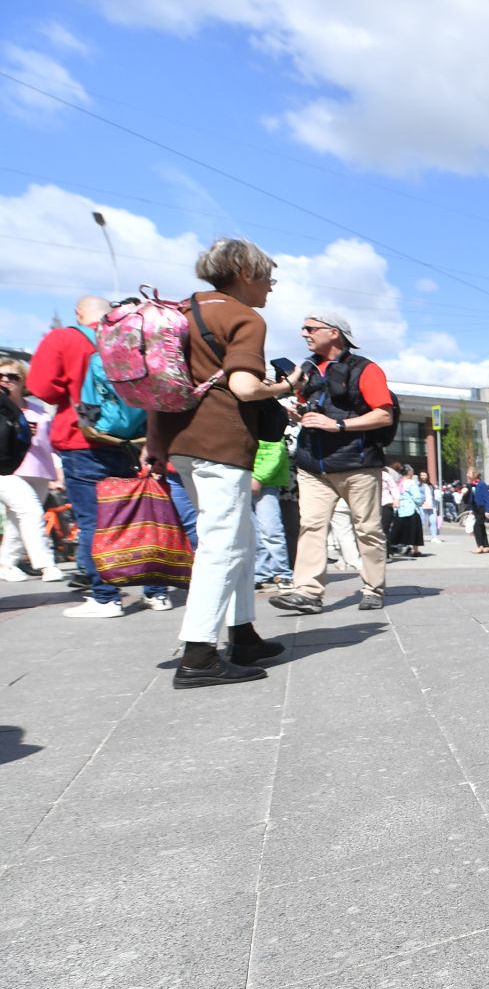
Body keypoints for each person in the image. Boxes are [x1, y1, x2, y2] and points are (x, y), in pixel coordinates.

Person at [145, 237, 303, 687]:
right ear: (246, 274)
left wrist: (155, 443)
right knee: (224, 544)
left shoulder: (180, 310)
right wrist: (286, 386)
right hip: (221, 441)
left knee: (240, 536)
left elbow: (161, 381)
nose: (271, 288)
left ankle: (243, 633)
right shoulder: (242, 316)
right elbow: (245, 388)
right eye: (268, 277)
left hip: (181, 440)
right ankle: (198, 655)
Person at [27, 295, 174, 616]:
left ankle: (106, 597)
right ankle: (157, 592)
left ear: (79, 313)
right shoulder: (130, 336)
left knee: (94, 520)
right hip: (128, 439)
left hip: (82, 439)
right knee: (135, 517)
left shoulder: (65, 337)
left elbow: (41, 388)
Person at [269, 312, 397, 613]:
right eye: (303, 327)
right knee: (311, 526)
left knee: (367, 528)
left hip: (359, 463)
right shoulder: (307, 369)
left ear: (334, 333)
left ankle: (373, 587)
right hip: (313, 464)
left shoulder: (366, 369)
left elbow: (383, 414)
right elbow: (310, 406)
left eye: (311, 328)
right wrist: (301, 415)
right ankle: (308, 593)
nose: (303, 333)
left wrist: (337, 426)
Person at [0, 357, 63, 583]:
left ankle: (6, 563)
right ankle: (46, 564)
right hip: (9, 471)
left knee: (19, 520)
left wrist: (58, 470)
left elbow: (51, 442)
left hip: (40, 468)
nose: (6, 380)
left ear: (22, 381)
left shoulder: (36, 409)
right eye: (1, 376)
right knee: (31, 511)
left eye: (13, 377)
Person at [252, 428, 294, 589]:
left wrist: (259, 478)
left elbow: (275, 451)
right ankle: (261, 573)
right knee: (254, 533)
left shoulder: (268, 420)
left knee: (271, 530)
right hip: (244, 479)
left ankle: (282, 573)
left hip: (267, 483)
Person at [468, 472, 489, 552]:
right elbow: (473, 498)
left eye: (469, 473)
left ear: (474, 475)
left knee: (476, 527)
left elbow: (487, 497)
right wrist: (471, 509)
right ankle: (486, 546)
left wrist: (487, 510)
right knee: (481, 527)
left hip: (482, 508)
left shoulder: (481, 484)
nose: (467, 475)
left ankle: (480, 546)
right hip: (476, 508)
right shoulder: (473, 485)